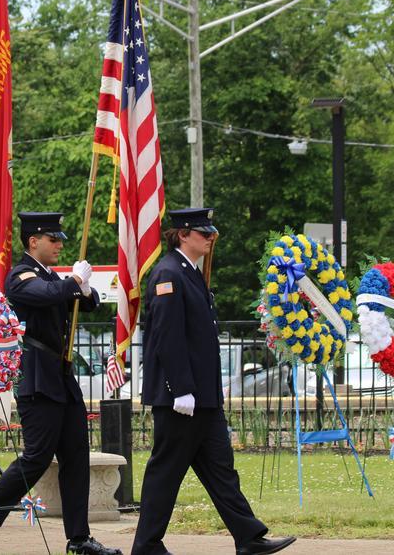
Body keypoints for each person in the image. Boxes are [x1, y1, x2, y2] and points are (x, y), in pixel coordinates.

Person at [131, 208, 296, 555]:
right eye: (203, 233)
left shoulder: (189, 273)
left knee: (221, 470)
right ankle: (146, 545)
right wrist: (182, 388)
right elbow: (168, 336)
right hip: (182, 398)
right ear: (183, 234)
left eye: (210, 233)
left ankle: (248, 537)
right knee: (166, 472)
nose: (210, 238)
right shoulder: (168, 273)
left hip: (203, 397)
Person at [0, 212, 121, 555]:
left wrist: (85, 286)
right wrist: (73, 281)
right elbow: (46, 294)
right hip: (37, 377)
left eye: (61, 239)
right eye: (53, 239)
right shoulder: (20, 276)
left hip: (60, 378)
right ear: (33, 241)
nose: (60, 244)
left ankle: (78, 539)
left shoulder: (51, 276)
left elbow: (86, 304)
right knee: (37, 456)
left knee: (75, 457)